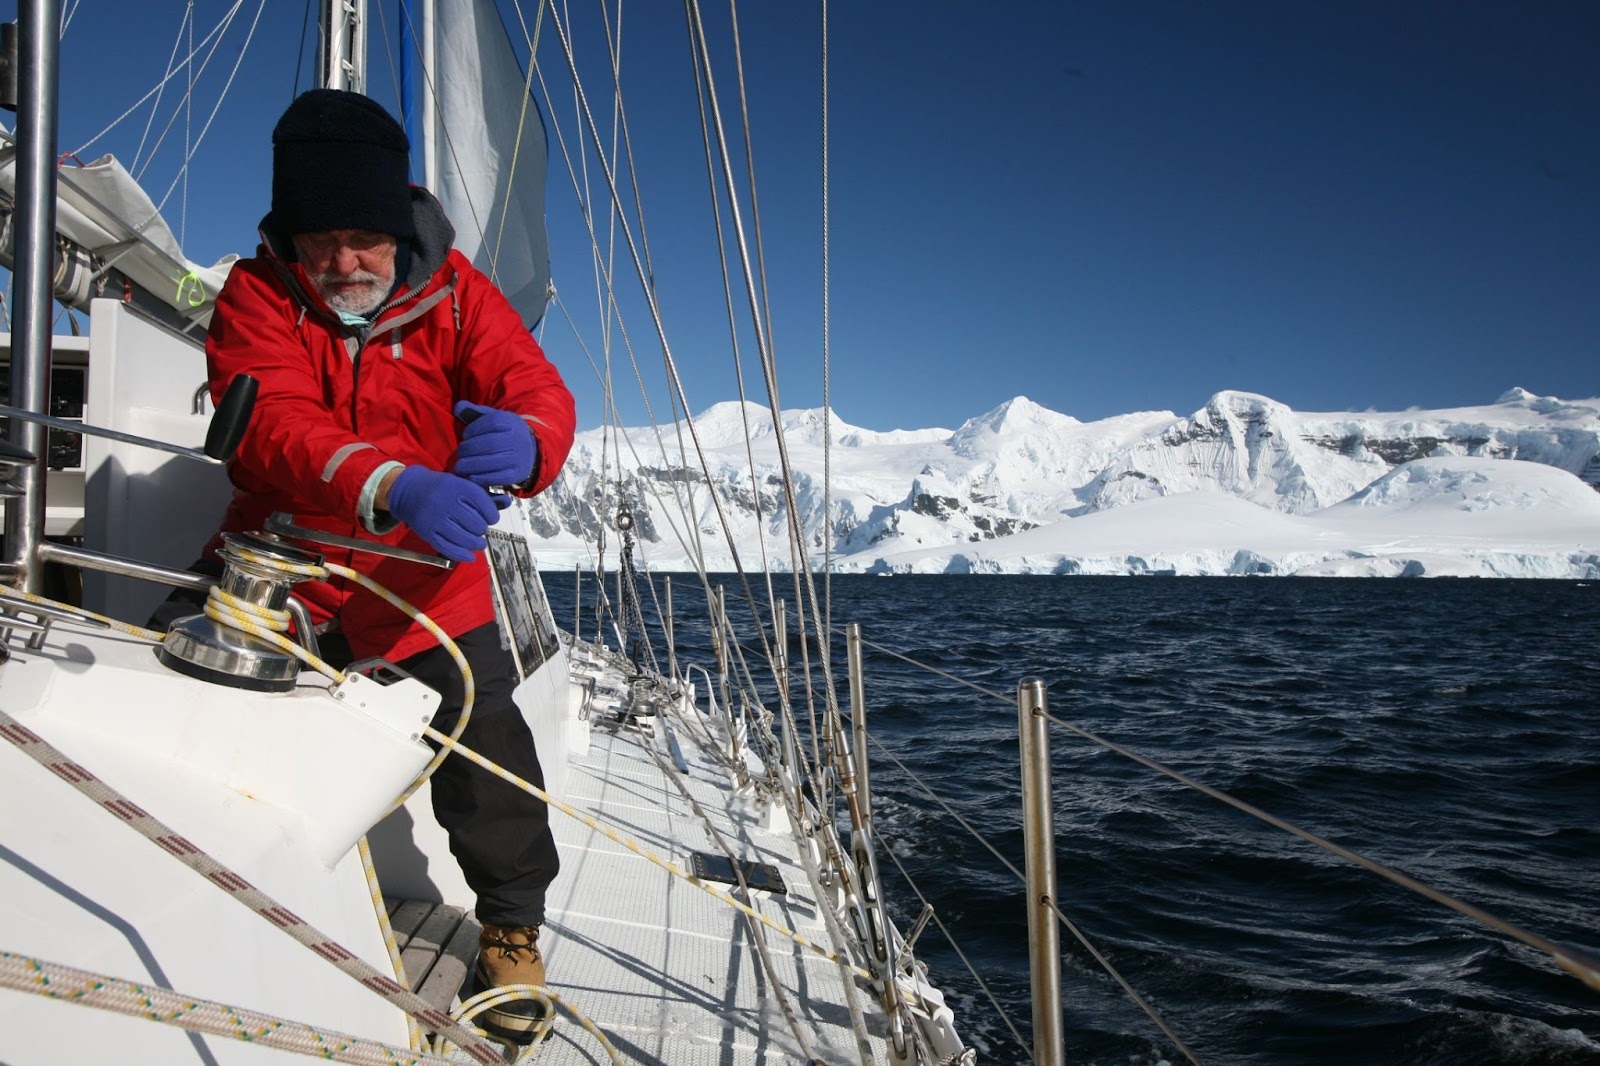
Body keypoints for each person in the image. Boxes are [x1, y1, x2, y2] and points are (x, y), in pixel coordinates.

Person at [201, 88, 574, 1039]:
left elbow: (534, 388)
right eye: (319, 238)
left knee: (488, 754)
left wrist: (530, 441)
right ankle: (221, 899)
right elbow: (270, 423)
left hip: (423, 586)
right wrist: (391, 482)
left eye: (363, 236)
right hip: (284, 569)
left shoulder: (461, 296)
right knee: (196, 718)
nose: (343, 261)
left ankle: (512, 929)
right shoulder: (256, 294)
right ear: (290, 232)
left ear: (397, 223)